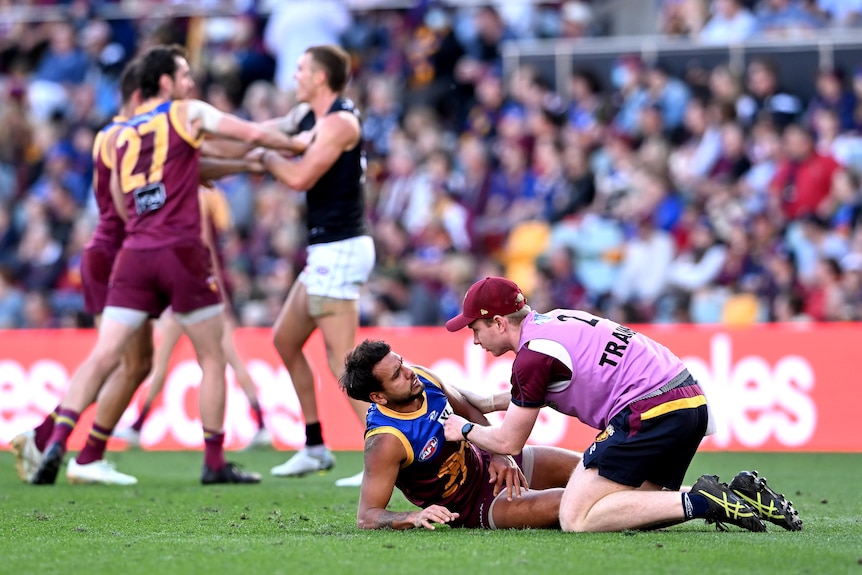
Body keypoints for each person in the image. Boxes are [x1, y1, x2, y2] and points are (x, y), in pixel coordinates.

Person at [29, 44, 304, 486]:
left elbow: (122, 202)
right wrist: (290, 139)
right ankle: (213, 462)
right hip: (177, 250)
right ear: (163, 82)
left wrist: (248, 163)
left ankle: (60, 440)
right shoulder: (184, 114)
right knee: (212, 357)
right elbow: (246, 134)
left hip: (130, 253)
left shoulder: (116, 135)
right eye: (184, 75)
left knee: (111, 357)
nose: (191, 83)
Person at [442, 276, 804, 533]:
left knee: (576, 517)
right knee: (633, 508)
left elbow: (508, 443)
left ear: (500, 322)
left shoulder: (532, 356)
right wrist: (488, 401)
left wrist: (465, 429)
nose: (474, 340)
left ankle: (706, 501)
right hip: (688, 401)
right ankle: (740, 494)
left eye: (475, 329)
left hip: (649, 410)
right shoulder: (554, 320)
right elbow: (543, 390)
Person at [12, 59, 154, 486]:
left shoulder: (107, 136)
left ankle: (46, 437)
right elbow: (129, 201)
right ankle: (78, 449)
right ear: (141, 96)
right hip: (122, 253)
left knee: (132, 361)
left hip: (105, 251)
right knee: (116, 359)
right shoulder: (132, 135)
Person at [259, 45, 375, 486]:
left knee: (345, 362)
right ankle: (313, 445)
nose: (295, 74)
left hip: (340, 248)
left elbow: (298, 177)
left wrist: (264, 159)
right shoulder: (312, 117)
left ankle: (382, 453)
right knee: (285, 340)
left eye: (302, 68)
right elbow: (270, 131)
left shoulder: (340, 122)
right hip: (327, 251)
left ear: (321, 78)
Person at [340, 339, 582, 530]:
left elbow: (468, 410)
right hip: (478, 504)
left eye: (401, 362)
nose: (408, 371)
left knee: (592, 466)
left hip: (493, 462)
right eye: (396, 375)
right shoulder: (386, 440)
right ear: (378, 397)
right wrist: (414, 516)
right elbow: (367, 517)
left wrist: (499, 453)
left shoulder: (422, 378)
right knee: (572, 501)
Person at [116, 185, 272, 449]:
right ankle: (261, 424)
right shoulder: (211, 197)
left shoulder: (191, 197)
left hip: (195, 290)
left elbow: (204, 248)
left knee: (166, 360)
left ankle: (138, 425)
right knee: (230, 359)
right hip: (202, 289)